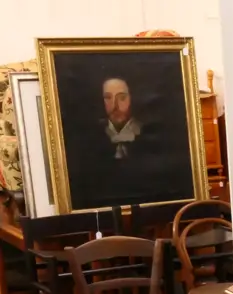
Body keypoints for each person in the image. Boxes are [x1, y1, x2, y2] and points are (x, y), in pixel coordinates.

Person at [65, 75, 196, 209]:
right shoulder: (91, 139)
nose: (115, 106)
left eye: (122, 97)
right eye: (108, 97)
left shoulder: (148, 133)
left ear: (132, 98)